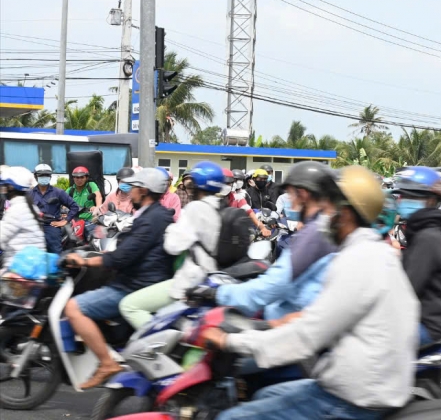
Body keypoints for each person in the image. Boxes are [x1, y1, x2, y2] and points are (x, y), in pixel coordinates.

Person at [202, 165, 418, 420]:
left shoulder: (358, 259)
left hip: (355, 397)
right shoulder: (376, 252)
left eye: (328, 210)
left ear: (345, 213)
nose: (323, 219)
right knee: (264, 396)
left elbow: (306, 336)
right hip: (367, 382)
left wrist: (231, 342)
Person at [63, 168, 175, 389]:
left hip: (134, 284)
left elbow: (123, 257)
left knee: (73, 308)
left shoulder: (151, 219)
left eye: (133, 187)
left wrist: (86, 261)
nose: (129, 191)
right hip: (138, 278)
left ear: (143, 191)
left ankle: (107, 363)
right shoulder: (152, 214)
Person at [188, 161, 338, 322]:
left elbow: (272, 285)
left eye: (291, 194)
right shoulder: (324, 228)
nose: (290, 201)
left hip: (291, 323)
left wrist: (218, 293)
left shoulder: (314, 234)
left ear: (303, 194)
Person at [118, 162, 226, 330]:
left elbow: (172, 246)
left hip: (191, 280)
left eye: (193, 183)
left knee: (129, 306)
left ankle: (154, 348)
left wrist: (169, 230)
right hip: (212, 277)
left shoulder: (196, 208)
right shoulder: (221, 206)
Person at [394, 166, 441, 346]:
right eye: (402, 195)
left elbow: (408, 286)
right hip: (427, 314)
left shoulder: (427, 236)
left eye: (411, 197)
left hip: (432, 322)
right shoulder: (421, 230)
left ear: (430, 200)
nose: (402, 200)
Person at [27, 164, 80, 254]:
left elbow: (74, 206)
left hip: (51, 226)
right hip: (34, 227)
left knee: (55, 254)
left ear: (50, 177)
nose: (44, 177)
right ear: (36, 177)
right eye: (41, 175)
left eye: (47, 175)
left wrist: (65, 221)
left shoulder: (58, 192)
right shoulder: (30, 194)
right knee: (32, 254)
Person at [0, 166, 46, 267]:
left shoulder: (17, 210)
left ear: (11, 188)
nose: (3, 190)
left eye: (4, 187)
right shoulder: (30, 207)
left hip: (19, 269)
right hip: (32, 265)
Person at [67, 166, 103, 235]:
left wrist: (97, 207)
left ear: (86, 178)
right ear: (73, 178)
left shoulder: (91, 185)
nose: (79, 180)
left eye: (82, 177)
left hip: (89, 221)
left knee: (93, 238)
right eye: (77, 177)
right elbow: (62, 204)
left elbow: (98, 196)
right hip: (74, 221)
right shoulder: (70, 190)